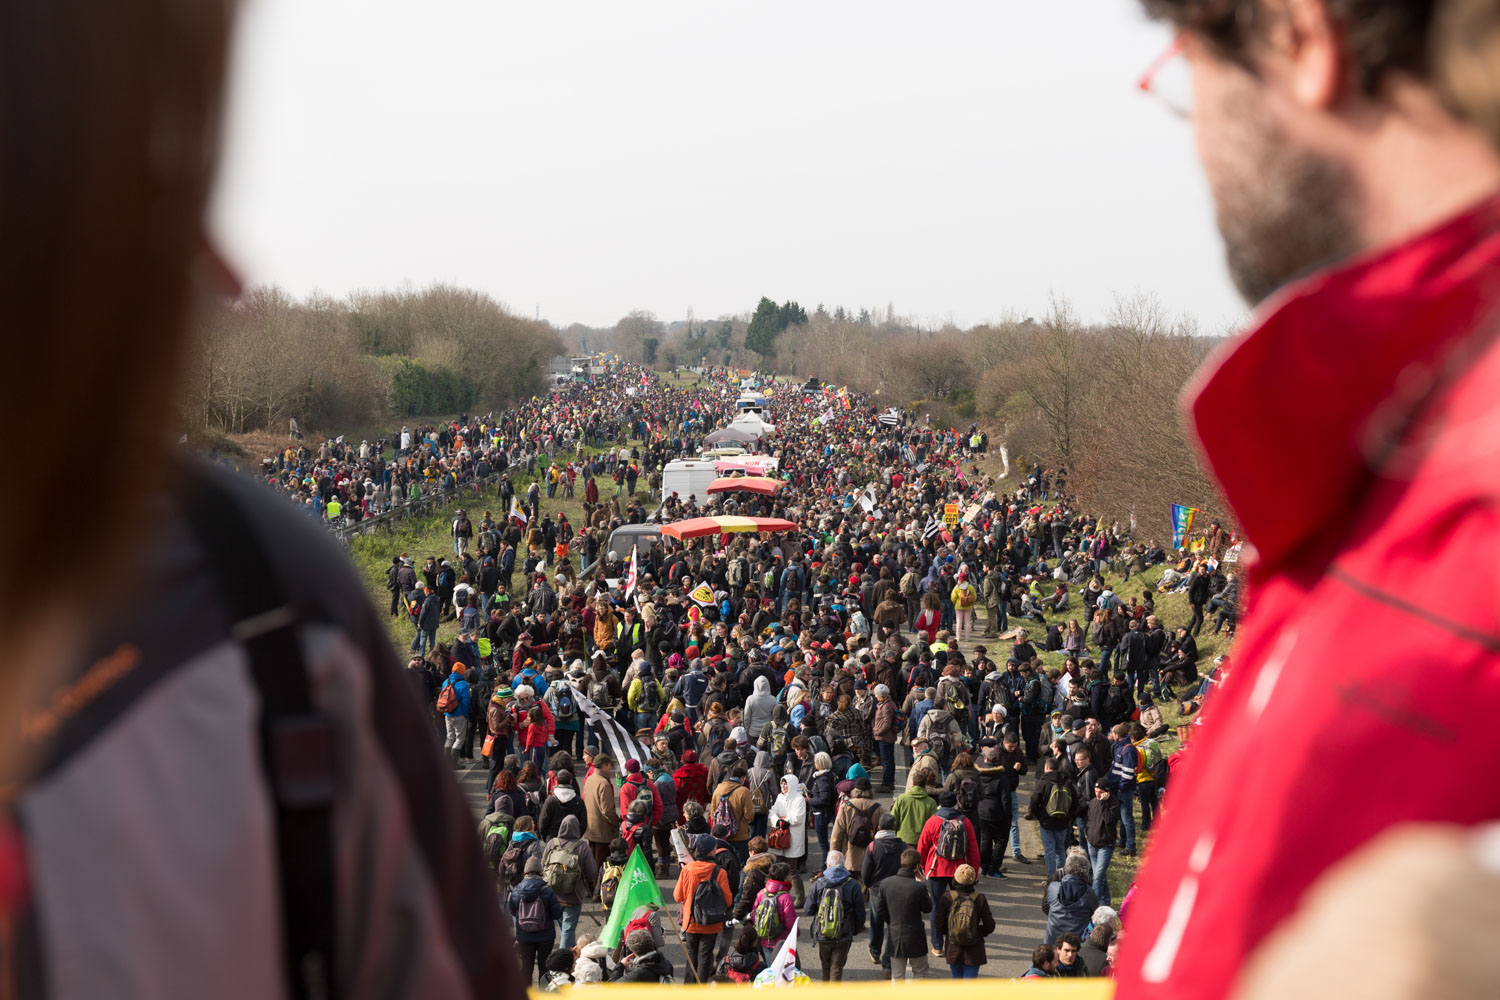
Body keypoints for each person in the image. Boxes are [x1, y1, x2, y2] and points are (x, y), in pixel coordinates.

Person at [915, 790, 981, 955]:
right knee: (959, 907)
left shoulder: (933, 821)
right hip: (959, 870)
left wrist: (920, 867)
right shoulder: (964, 821)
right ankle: (957, 941)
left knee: (936, 906)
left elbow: (922, 846)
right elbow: (973, 848)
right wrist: (974, 871)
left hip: (936, 868)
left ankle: (937, 945)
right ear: (955, 803)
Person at [672, 834, 733, 984]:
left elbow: (677, 896)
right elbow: (728, 900)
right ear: (712, 851)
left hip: (691, 921)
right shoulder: (720, 872)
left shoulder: (687, 869)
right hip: (711, 922)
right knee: (705, 956)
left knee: (691, 955)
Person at [802, 849, 865, 981]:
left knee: (825, 966)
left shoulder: (818, 883)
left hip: (822, 931)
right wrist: (855, 929)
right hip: (843, 932)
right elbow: (860, 912)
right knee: (836, 968)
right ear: (843, 865)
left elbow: (808, 910)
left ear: (828, 865)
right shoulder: (853, 884)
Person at [873, 847, 932, 982]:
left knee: (897, 976)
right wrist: (922, 883)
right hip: (916, 937)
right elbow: (928, 908)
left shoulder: (886, 883)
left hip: (895, 936)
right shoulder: (919, 887)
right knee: (920, 973)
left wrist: (891, 922)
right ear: (917, 866)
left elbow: (879, 911)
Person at [541, 815, 597, 950]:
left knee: (566, 930)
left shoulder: (552, 843)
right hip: (574, 895)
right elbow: (592, 872)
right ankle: (561, 961)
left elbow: (543, 864)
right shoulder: (582, 846)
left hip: (553, 894)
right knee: (567, 930)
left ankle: (571, 955)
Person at [509, 856, 564, 986]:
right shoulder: (547, 890)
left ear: (525, 872)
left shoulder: (516, 890)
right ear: (540, 872)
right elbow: (557, 914)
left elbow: (512, 911)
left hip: (524, 936)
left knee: (526, 968)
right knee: (544, 969)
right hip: (545, 936)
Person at [860, 814, 905, 973]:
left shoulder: (873, 846)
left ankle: (875, 951)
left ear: (879, 827)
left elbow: (865, 873)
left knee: (876, 922)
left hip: (877, 891)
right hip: (897, 891)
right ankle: (887, 964)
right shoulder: (903, 846)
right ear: (894, 828)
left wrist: (869, 885)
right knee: (893, 926)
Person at [935, 864, 994, 978]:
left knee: (956, 980)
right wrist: (977, 932)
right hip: (974, 948)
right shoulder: (979, 898)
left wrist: (951, 931)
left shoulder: (947, 897)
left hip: (953, 946)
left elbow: (939, 923)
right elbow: (990, 925)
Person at [1044, 852, 1099, 945]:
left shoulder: (1053, 887)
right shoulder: (1090, 894)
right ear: (1086, 871)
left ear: (1066, 868)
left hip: (1052, 940)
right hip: (1075, 944)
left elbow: (1046, 906)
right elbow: (1094, 915)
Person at [750, 862, 799, 965]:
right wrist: (796, 933)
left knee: (771, 971)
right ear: (785, 878)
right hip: (781, 941)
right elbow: (790, 922)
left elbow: (754, 915)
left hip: (765, 939)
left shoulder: (762, 893)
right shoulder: (786, 898)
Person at [766, 774, 808, 871]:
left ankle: (794, 886)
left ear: (792, 785)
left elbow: (798, 817)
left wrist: (783, 820)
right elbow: (773, 811)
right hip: (779, 837)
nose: (783, 786)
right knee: (779, 868)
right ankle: (781, 886)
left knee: (791, 870)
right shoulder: (780, 796)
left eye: (786, 784)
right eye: (782, 783)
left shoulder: (799, 799)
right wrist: (777, 820)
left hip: (793, 837)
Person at [890, 769, 938, 849]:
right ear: (925, 784)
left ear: (913, 783)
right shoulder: (931, 802)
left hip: (903, 839)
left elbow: (893, 821)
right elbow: (933, 825)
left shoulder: (901, 799)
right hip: (922, 841)